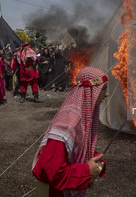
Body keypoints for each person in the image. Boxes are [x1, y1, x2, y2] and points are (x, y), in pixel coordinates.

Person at [32, 67, 108, 197]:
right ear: (91, 90)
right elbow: (52, 171)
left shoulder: (81, 117)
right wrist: (86, 170)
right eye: (104, 88)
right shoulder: (68, 123)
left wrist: (94, 160)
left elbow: (76, 150)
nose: (106, 94)